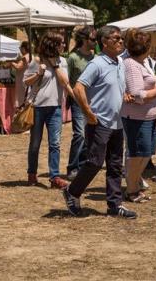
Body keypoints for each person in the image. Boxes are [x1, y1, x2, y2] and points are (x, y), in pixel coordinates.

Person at [61, 26, 137, 219]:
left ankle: (115, 205)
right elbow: (79, 88)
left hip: (117, 122)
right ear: (105, 42)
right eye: (116, 38)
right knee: (94, 162)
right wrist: (88, 113)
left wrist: (124, 94)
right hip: (100, 122)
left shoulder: (119, 62)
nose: (120, 41)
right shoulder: (97, 64)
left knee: (115, 165)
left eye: (121, 38)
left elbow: (114, 87)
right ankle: (72, 192)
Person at [24, 32, 73, 189]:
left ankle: (54, 177)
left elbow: (65, 82)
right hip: (37, 107)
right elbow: (26, 81)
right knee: (35, 143)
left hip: (56, 108)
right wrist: (39, 73)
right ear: (52, 45)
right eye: (61, 43)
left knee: (55, 144)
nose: (64, 46)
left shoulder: (62, 61)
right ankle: (32, 174)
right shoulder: (37, 61)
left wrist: (55, 65)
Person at [121, 29, 156, 204]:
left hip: (148, 116)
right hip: (137, 118)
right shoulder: (131, 64)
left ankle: (135, 185)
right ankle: (131, 190)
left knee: (147, 152)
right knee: (137, 154)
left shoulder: (143, 62)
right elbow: (137, 95)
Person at [65, 27, 96, 180]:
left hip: (92, 101)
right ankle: (72, 167)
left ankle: (83, 166)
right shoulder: (73, 58)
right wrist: (73, 96)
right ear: (84, 40)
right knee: (80, 134)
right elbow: (67, 81)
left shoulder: (95, 57)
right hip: (77, 101)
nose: (95, 42)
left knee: (89, 134)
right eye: (93, 39)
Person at [10, 41, 32, 107]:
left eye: (20, 48)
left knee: (21, 100)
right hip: (29, 80)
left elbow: (18, 67)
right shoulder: (31, 56)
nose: (20, 50)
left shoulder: (25, 57)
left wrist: (11, 63)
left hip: (22, 80)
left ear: (23, 48)